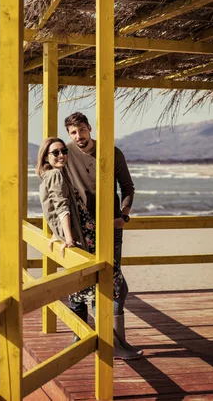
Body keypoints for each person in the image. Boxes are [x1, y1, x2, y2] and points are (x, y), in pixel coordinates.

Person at [64, 111, 143, 360]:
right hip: (80, 230)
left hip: (110, 227)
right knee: (79, 282)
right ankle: (81, 336)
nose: (79, 136)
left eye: (82, 130)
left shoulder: (111, 152)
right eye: (73, 133)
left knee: (114, 283)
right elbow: (55, 188)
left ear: (89, 128)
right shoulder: (63, 153)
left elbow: (127, 186)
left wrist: (124, 215)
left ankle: (114, 341)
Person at [36, 137, 97, 325]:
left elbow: (52, 208)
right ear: (46, 157)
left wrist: (57, 234)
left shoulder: (55, 174)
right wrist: (68, 238)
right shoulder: (55, 175)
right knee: (95, 286)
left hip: (82, 232)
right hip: (82, 236)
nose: (62, 155)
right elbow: (61, 207)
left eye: (64, 151)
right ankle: (104, 336)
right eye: (56, 152)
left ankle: (81, 334)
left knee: (80, 286)